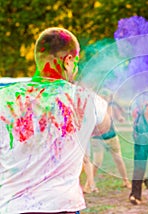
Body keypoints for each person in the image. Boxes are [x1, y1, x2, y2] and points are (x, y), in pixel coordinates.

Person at [0, 27, 111, 213]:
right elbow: (105, 126)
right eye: (75, 63)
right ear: (68, 61)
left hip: (12, 206)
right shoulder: (86, 100)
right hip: (62, 206)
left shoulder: (4, 98)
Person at [82, 90, 131, 194]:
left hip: (112, 137)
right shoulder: (94, 108)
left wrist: (120, 118)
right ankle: (88, 185)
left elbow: (117, 116)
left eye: (106, 97)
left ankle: (126, 181)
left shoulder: (110, 106)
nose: (104, 98)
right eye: (103, 96)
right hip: (98, 139)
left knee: (118, 159)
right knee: (97, 162)